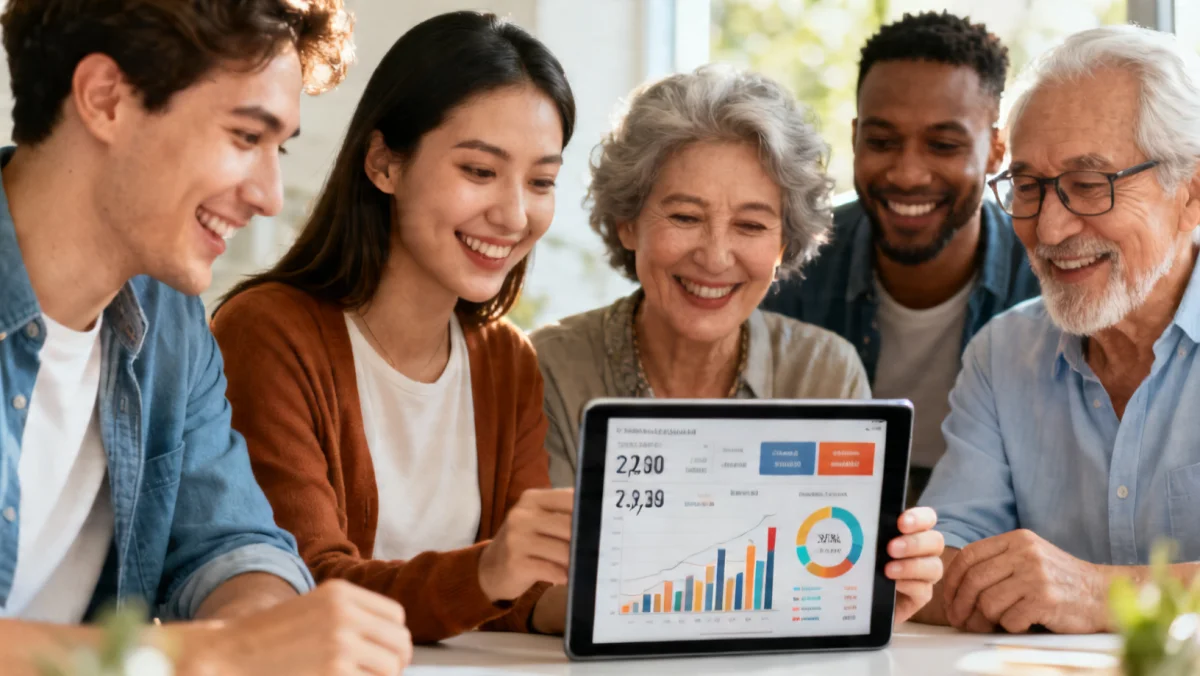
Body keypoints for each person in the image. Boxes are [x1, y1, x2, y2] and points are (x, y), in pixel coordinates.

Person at [0, 1, 414, 674]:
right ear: (106, 99)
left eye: (278, 150)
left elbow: (228, 542)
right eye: (246, 137)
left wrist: (268, 626)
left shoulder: (168, 315)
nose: (271, 196)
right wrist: (216, 651)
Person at [530, 66, 945, 625]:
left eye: (751, 226)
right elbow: (534, 590)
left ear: (784, 243)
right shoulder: (549, 367)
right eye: (684, 216)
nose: (716, 256)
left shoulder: (824, 372)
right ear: (628, 223)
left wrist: (874, 592)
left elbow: (833, 576)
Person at [210, 11, 575, 645]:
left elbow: (522, 589)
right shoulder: (269, 333)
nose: (515, 214)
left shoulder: (506, 360)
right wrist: (490, 572)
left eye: (541, 181)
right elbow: (308, 586)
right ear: (384, 164)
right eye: (480, 172)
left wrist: (618, 600)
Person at [913, 25, 1200, 635]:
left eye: (1089, 185)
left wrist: (1102, 594)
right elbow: (935, 566)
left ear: (1192, 192)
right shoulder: (1003, 352)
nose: (1048, 231)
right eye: (1027, 187)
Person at [761, 12, 1040, 503]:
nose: (909, 173)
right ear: (854, 139)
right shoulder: (788, 267)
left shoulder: (1046, 275)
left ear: (997, 150)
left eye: (943, 144)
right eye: (882, 141)